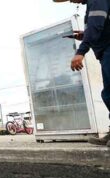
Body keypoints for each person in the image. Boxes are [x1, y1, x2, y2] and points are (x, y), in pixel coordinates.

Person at [54, 0, 110, 146]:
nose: (73, 1)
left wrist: (81, 51)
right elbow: (100, 26)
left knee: (109, 93)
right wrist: (85, 35)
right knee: (108, 93)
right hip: (104, 52)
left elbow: (96, 25)